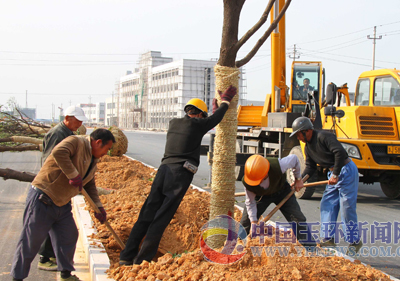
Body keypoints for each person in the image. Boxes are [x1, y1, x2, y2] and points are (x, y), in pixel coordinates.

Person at [119, 86, 237, 265]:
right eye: (202, 117)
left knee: (146, 213)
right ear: (198, 115)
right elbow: (215, 119)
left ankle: (126, 257)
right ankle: (142, 260)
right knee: (161, 218)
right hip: (179, 175)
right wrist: (226, 102)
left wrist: (211, 114)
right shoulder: (197, 124)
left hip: (163, 171)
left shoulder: (174, 123)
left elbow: (209, 122)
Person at [11, 129, 115, 281]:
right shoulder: (76, 141)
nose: (107, 153)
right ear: (98, 142)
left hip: (62, 204)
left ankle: (66, 274)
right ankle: (17, 277)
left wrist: (98, 207)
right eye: (107, 149)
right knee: (30, 241)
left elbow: (89, 184)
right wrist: (73, 174)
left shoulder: (93, 159)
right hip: (43, 198)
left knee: (69, 236)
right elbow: (58, 152)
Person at [290, 116, 362, 254]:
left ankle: (354, 241)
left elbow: (339, 153)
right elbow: (310, 167)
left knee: (346, 206)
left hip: (345, 170)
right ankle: (328, 239)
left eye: (298, 134)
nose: (298, 137)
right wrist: (300, 181)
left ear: (306, 131)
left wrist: (335, 174)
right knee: (327, 203)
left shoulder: (323, 136)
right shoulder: (308, 148)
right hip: (332, 174)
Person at [37, 105, 88, 271]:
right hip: (52, 186)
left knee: (57, 222)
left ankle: (53, 255)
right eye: (77, 121)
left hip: (61, 185)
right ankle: (45, 258)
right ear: (67, 118)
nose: (79, 124)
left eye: (81, 122)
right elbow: (51, 160)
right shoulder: (57, 134)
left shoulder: (68, 134)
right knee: (49, 221)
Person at [240, 154, 316, 247]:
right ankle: (239, 246)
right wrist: (254, 223)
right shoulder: (249, 182)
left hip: (282, 191)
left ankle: (311, 248)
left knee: (297, 218)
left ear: (266, 173)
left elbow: (295, 159)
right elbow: (250, 202)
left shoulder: (279, 165)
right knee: (246, 221)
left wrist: (298, 179)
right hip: (261, 196)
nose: (257, 182)